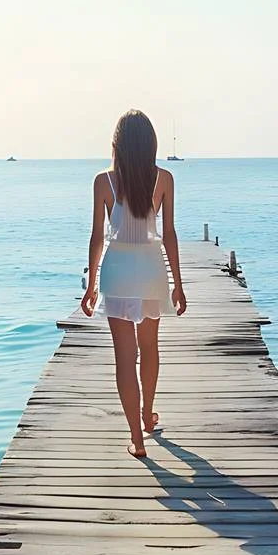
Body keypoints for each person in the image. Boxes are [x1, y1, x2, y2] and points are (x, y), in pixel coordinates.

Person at [80, 110, 188, 457]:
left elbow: (97, 236)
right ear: (152, 144)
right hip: (152, 268)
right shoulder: (165, 179)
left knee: (125, 358)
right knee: (150, 349)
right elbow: (169, 234)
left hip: (119, 269)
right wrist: (178, 283)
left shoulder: (103, 181)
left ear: (118, 144)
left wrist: (91, 283)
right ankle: (146, 416)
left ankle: (137, 440)